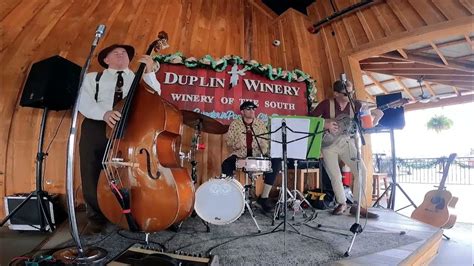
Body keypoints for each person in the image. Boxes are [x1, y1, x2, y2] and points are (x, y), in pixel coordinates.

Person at [78, 44, 161, 233]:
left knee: (129, 171)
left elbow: (156, 97)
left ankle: (129, 212)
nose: (121, 54)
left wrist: (149, 74)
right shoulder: (93, 78)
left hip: (129, 128)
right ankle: (96, 218)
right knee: (91, 169)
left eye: (124, 53)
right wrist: (104, 113)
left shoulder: (138, 78)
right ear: (105, 60)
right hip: (97, 125)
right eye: (115, 53)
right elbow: (83, 100)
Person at [311, 80, 383, 218]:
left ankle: (357, 206)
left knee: (361, 170)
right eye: (346, 94)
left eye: (352, 93)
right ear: (336, 93)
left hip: (347, 143)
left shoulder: (356, 105)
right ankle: (342, 203)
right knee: (335, 175)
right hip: (328, 144)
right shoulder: (326, 104)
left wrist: (377, 118)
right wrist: (325, 124)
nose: (350, 96)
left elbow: (366, 126)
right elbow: (311, 120)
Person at [222, 101, 280, 212]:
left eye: (253, 109)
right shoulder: (235, 124)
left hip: (257, 156)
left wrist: (263, 149)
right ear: (242, 111)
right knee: (226, 164)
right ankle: (230, 196)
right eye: (249, 109)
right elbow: (228, 142)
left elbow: (266, 142)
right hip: (240, 156)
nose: (252, 111)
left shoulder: (260, 124)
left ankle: (264, 198)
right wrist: (237, 144)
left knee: (277, 161)